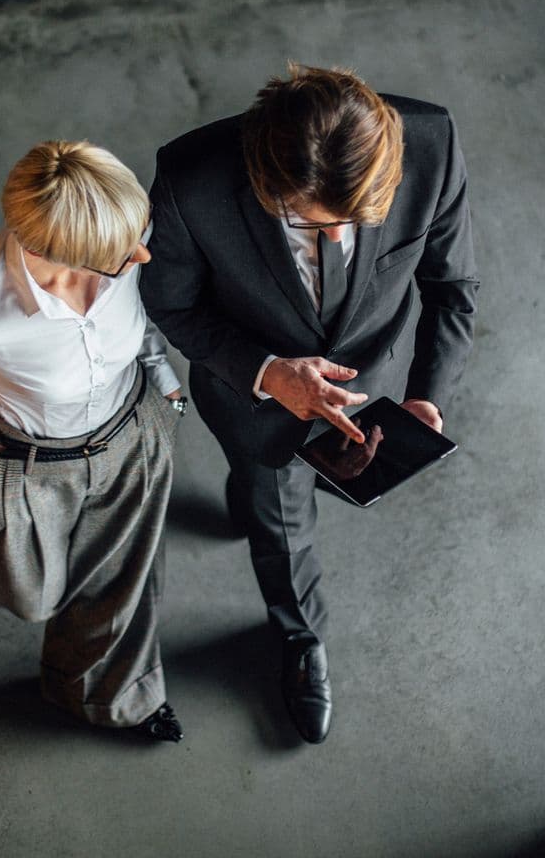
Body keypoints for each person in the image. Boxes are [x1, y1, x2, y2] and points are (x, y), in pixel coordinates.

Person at [140, 64, 479, 744]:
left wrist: (424, 397)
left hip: (372, 387)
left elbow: (453, 286)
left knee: (273, 498)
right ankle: (301, 637)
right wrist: (267, 373)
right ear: (267, 183)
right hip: (254, 399)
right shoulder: (190, 180)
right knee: (280, 520)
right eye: (314, 223)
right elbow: (169, 302)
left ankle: (249, 495)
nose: (337, 240)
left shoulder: (432, 142)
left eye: (353, 223)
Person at [0, 140, 187, 742]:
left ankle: (107, 698)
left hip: (132, 436)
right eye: (122, 255)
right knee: (33, 589)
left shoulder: (118, 251)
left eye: (140, 235)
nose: (142, 255)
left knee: (119, 588)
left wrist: (165, 388)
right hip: (29, 466)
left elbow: (139, 321)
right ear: (54, 254)